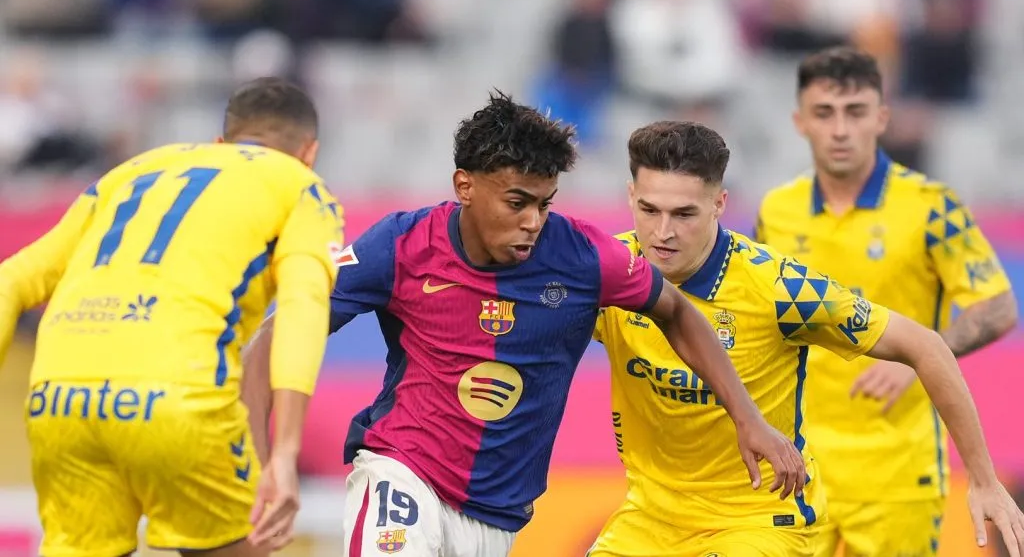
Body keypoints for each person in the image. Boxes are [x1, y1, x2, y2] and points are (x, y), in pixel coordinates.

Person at [241, 91, 807, 557]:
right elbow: (287, 326)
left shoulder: (585, 256)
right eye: (517, 202)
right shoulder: (398, 244)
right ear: (465, 186)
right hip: (402, 469)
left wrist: (747, 416)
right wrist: (264, 459)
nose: (533, 221)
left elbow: (678, 312)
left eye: (545, 203)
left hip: (497, 516)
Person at [586, 120, 1024, 557]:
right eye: (649, 210)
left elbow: (926, 345)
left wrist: (984, 480)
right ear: (630, 197)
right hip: (649, 519)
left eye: (684, 214)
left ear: (719, 204)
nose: (663, 232)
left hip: (760, 521)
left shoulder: (781, 289)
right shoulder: (607, 274)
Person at [0, 77, 343, 556]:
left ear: (220, 142)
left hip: (60, 402)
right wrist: (284, 452)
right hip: (176, 402)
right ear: (309, 152)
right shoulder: (301, 187)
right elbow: (303, 305)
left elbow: (12, 279)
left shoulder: (131, 172)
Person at [756, 46, 1020, 556]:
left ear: (881, 118)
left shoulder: (930, 207)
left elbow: (998, 306)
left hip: (897, 473)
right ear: (799, 121)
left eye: (855, 112)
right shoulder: (777, 210)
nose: (840, 130)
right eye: (824, 113)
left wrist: (922, 356)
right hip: (799, 465)